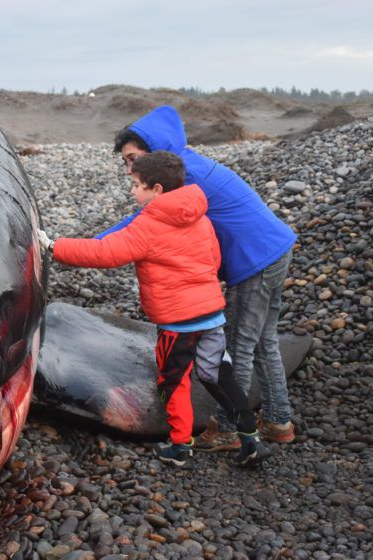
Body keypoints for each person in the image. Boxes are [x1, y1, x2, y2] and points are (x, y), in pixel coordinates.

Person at [38, 151, 270, 468]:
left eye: (136, 185)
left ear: (157, 189)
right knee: (218, 375)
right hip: (211, 317)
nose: (133, 191)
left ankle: (179, 446)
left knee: (172, 382)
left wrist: (53, 245)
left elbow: (105, 253)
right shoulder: (200, 217)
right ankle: (250, 438)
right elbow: (213, 260)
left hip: (178, 324)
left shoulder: (148, 225)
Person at [101, 106, 297, 451]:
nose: (130, 169)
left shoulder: (184, 178)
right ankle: (279, 421)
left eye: (133, 158)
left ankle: (226, 429)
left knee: (236, 349)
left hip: (256, 262)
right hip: (275, 249)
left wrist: (86, 246)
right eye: (126, 163)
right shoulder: (187, 165)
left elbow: (140, 225)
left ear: (154, 149)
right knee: (263, 342)